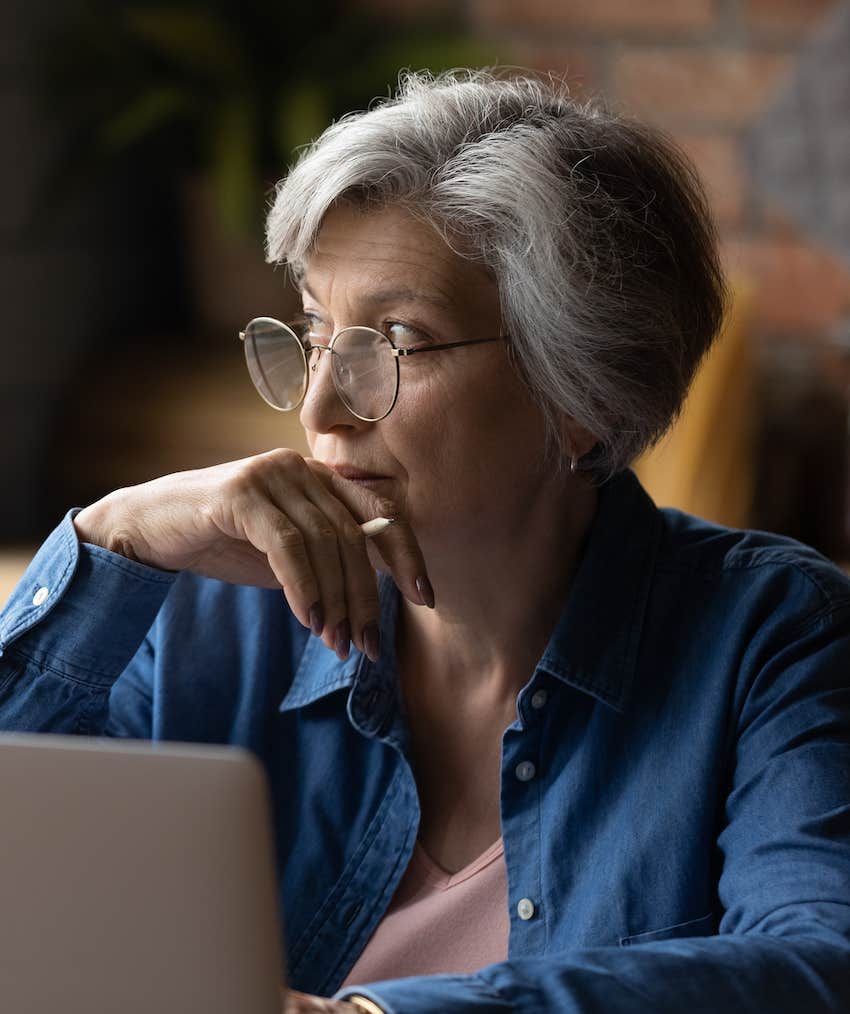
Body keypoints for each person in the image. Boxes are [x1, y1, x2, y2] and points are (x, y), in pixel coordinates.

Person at [1, 69, 849, 1014]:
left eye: (395, 341)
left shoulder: (772, 634)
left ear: (579, 396)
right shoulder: (213, 614)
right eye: (319, 332)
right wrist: (112, 534)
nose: (320, 406)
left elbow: (819, 966)